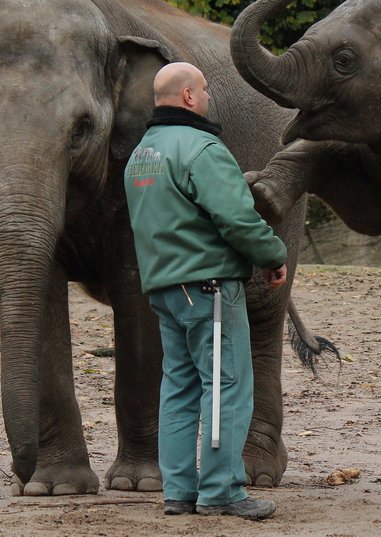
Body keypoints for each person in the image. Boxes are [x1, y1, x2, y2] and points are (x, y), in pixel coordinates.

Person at [124, 62, 288, 520]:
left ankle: (179, 491)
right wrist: (273, 254)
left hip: (164, 289)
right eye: (206, 90)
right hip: (209, 288)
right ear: (190, 97)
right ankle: (220, 491)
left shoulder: (142, 154)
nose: (210, 97)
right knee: (226, 386)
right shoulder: (202, 148)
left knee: (178, 387)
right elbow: (236, 218)